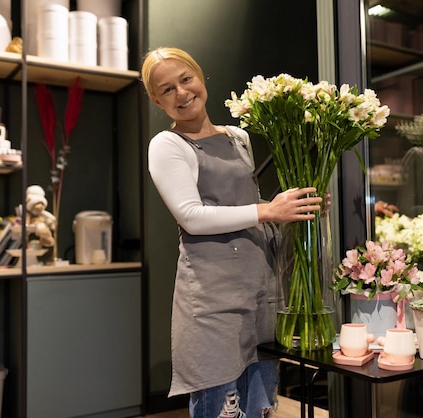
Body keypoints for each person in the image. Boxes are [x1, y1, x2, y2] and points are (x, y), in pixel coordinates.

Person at [141, 47, 323, 418]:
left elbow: (246, 207)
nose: (182, 92)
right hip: (213, 297)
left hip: (257, 288)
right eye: (168, 89)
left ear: (200, 77)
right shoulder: (168, 145)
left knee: (260, 406)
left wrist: (292, 209)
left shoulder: (238, 137)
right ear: (156, 99)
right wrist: (268, 209)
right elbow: (191, 217)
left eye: (186, 79)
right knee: (220, 408)